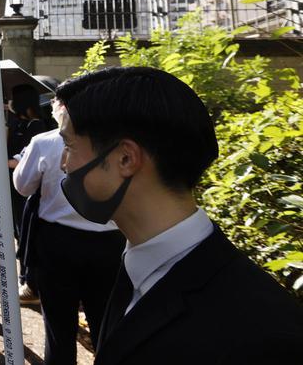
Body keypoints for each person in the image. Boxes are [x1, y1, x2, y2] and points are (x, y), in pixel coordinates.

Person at [56, 67, 303, 365]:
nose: (63, 164)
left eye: (69, 146)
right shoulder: (136, 265)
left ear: (126, 158)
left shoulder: (265, 333)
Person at [14, 126, 125, 365]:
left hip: (57, 241)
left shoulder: (45, 141)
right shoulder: (123, 139)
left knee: (59, 329)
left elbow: (23, 186)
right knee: (106, 326)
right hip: (109, 243)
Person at [6, 83, 47, 303]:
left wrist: (4, 162)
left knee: (27, 235)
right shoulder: (19, 123)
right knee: (20, 233)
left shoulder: (37, 127)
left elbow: (24, 160)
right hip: (17, 189)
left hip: (28, 190)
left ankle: (30, 284)